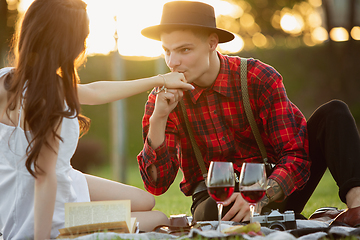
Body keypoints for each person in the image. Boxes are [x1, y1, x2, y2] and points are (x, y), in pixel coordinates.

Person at [137, 0, 360, 227]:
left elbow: (296, 156)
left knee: (334, 112)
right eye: (167, 51)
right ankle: (301, 222)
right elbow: (157, 184)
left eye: (184, 50)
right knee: (216, 215)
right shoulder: (162, 99)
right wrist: (159, 118)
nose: (173, 63)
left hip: (273, 190)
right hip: (215, 201)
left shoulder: (257, 77)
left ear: (212, 43)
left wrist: (259, 195)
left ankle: (357, 208)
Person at [0, 0, 194, 239]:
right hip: (51, 212)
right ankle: (79, 224)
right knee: (158, 219)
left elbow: (95, 92)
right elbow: (44, 177)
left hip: (23, 195)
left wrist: (160, 79)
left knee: (144, 199)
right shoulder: (51, 100)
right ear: (68, 43)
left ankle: (85, 216)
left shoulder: (9, 80)